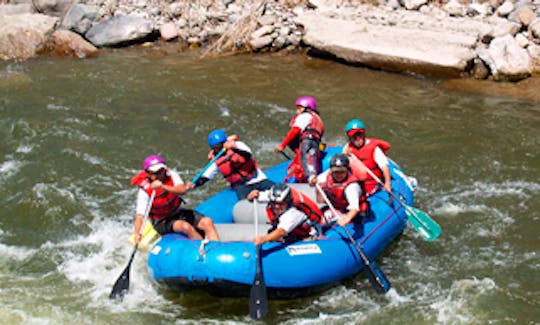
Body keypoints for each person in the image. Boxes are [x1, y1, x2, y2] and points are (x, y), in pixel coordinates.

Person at [131, 154, 220, 243]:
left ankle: (216, 249)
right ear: (148, 173)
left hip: (177, 213)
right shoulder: (144, 191)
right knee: (185, 226)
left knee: (207, 222)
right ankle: (202, 250)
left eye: (161, 170)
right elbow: (140, 215)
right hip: (161, 221)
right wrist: (137, 233)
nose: (160, 174)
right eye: (156, 172)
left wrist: (163, 186)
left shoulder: (172, 175)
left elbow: (182, 190)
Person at [187, 129, 274, 200]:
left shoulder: (238, 145)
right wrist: (195, 184)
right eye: (215, 148)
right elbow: (206, 176)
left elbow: (247, 154)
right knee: (244, 202)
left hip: (257, 178)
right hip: (241, 186)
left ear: (224, 143)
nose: (218, 150)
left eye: (219, 146)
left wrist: (233, 148)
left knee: (276, 191)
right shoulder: (217, 159)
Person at [247, 183, 323, 245]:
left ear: (288, 202)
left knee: (273, 235)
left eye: (281, 204)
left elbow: (281, 231)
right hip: (292, 232)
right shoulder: (275, 197)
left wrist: (263, 239)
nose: (276, 207)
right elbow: (258, 196)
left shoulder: (294, 213)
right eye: (274, 203)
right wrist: (253, 195)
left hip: (308, 235)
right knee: (271, 232)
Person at [309, 153, 368, 226]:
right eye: (336, 172)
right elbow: (314, 183)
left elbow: (354, 208)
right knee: (319, 220)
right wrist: (313, 181)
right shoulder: (328, 174)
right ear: (331, 170)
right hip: (337, 207)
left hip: (350, 211)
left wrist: (346, 219)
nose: (339, 175)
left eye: (342, 172)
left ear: (347, 170)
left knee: (327, 222)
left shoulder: (352, 187)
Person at [275, 96, 324, 183]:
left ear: (307, 108)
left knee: (305, 158)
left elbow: (295, 130)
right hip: (315, 143)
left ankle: (310, 177)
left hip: (306, 141)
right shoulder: (317, 118)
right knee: (310, 159)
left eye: (299, 108)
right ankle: (311, 176)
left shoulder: (305, 116)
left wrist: (282, 145)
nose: (297, 111)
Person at [343, 119, 392, 195]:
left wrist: (387, 183)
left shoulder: (374, 149)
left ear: (364, 134)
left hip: (374, 184)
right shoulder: (347, 148)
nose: (357, 138)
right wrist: (345, 156)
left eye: (360, 134)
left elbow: (384, 167)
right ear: (349, 137)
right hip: (356, 183)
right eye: (354, 136)